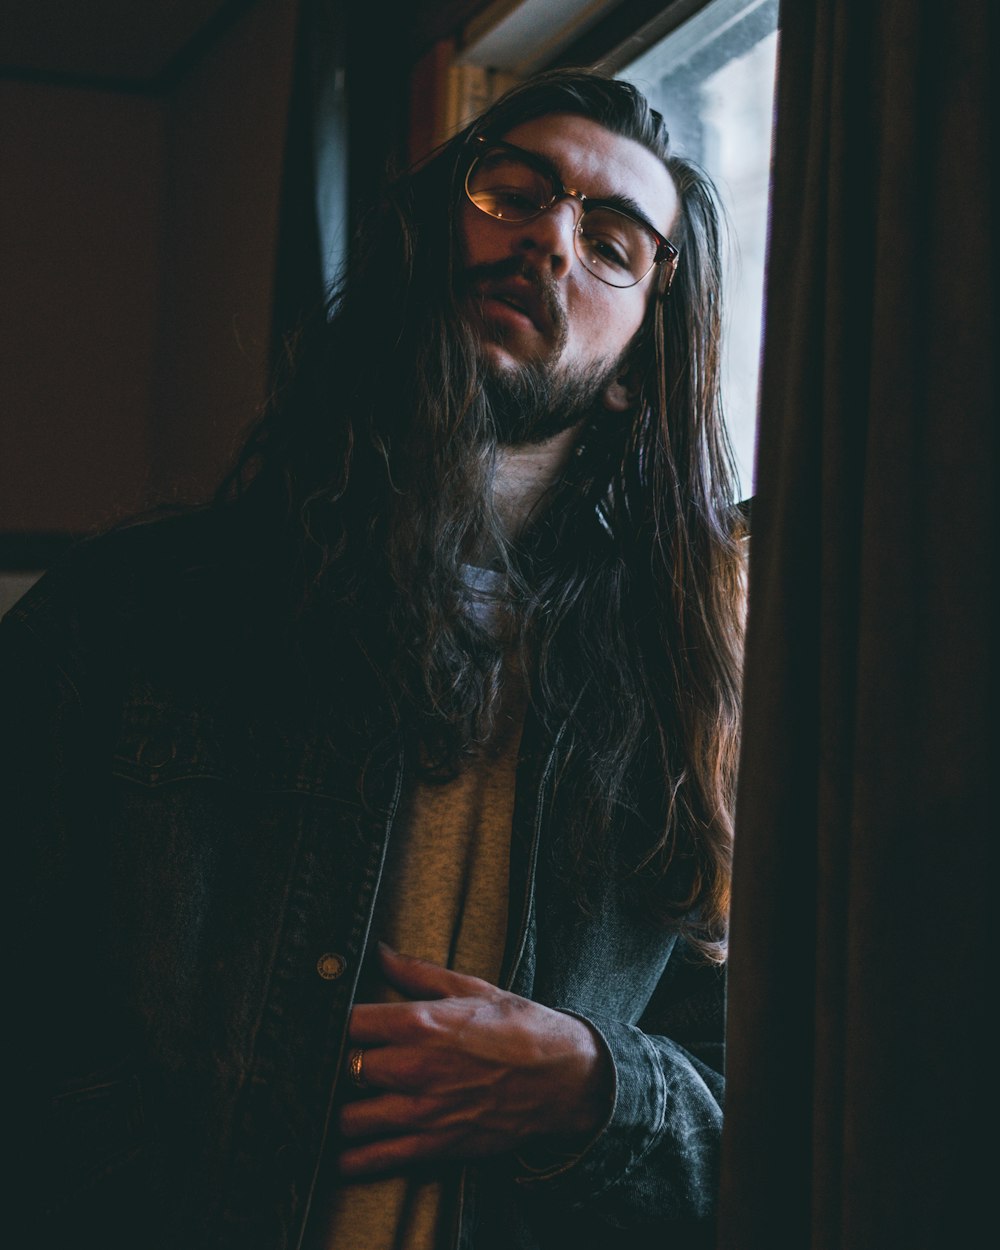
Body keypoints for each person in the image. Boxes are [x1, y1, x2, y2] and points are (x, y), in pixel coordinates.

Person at [6, 68, 745, 1250]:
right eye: (516, 191)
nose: (553, 239)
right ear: (421, 236)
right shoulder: (129, 615)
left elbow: (768, 1125)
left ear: (635, 373)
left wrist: (596, 1090)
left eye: (612, 240)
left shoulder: (680, 704)